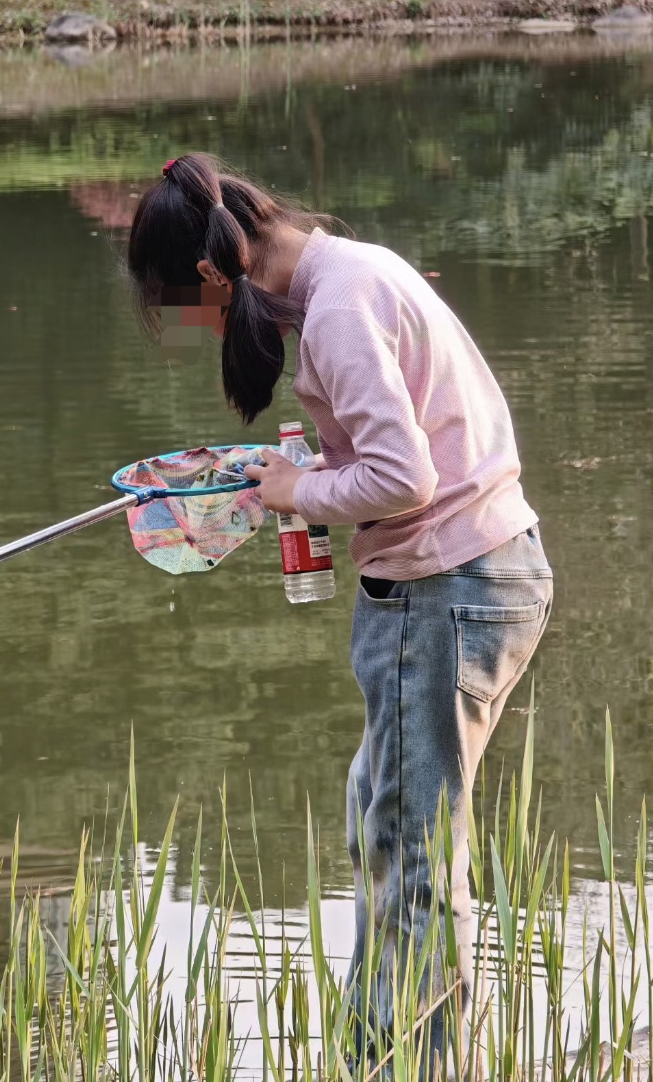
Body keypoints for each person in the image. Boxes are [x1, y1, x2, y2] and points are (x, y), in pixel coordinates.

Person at [127, 153, 553, 1071]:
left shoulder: (339, 306)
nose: (207, 334)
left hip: (448, 586)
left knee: (412, 858)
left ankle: (404, 1063)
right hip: (463, 576)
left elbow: (403, 479)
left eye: (191, 311)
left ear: (210, 271)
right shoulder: (349, 277)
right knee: (384, 819)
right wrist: (288, 479)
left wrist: (297, 491)